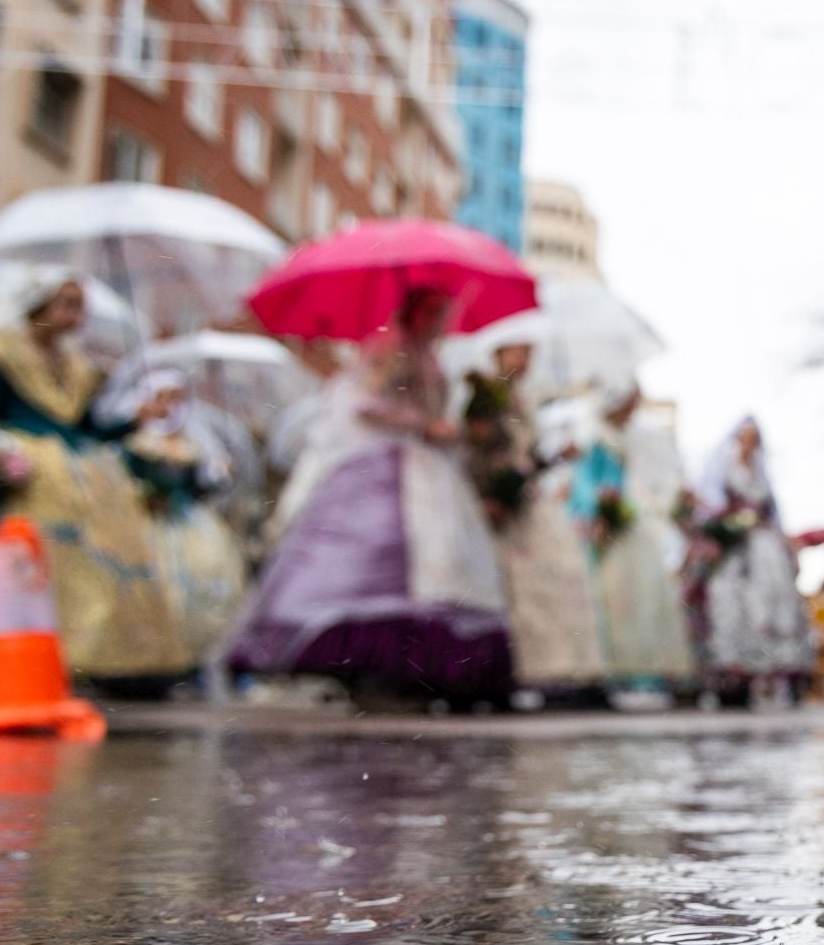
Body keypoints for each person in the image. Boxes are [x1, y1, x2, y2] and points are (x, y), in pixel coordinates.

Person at [228, 288, 512, 705]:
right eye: (433, 312)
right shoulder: (391, 348)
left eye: (443, 312)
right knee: (381, 557)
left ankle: (420, 668)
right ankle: (370, 664)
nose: (439, 321)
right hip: (390, 461)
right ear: (414, 312)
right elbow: (366, 404)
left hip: (429, 469)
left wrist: (447, 428)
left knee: (440, 562)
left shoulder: (429, 358)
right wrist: (421, 422)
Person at [0, 269, 190, 693]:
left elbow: (85, 429)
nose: (76, 316)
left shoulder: (76, 365)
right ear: (39, 306)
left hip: (83, 479)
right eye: (67, 303)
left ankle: (89, 662)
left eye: (80, 304)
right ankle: (20, 661)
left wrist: (133, 419)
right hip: (26, 482)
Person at [461, 338, 607, 695]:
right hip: (499, 502)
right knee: (517, 587)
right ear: (499, 352)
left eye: (531, 353)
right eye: (520, 351)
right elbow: (476, 449)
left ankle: (559, 671)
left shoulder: (520, 401)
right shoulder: (485, 394)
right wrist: (489, 494)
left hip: (526, 498)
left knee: (559, 573)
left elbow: (527, 458)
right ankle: (508, 672)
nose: (527, 360)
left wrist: (557, 456)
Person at [567, 371, 695, 686]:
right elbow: (584, 483)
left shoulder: (632, 438)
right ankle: (606, 673)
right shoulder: (595, 438)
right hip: (602, 524)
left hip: (627, 522)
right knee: (608, 599)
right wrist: (598, 509)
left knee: (639, 600)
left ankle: (641, 672)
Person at [118, 368, 248, 661]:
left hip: (189, 523)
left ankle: (191, 654)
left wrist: (216, 476)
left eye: (176, 398)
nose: (168, 406)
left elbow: (202, 485)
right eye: (161, 398)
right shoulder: (135, 439)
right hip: (144, 523)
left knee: (204, 579)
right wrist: (142, 494)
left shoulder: (195, 440)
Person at [690, 417, 813, 701]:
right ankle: (735, 677)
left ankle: (781, 672)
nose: (749, 443)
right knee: (734, 603)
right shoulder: (724, 469)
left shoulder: (762, 474)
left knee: (776, 603)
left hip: (764, 545)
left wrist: (786, 544)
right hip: (737, 547)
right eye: (745, 437)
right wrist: (725, 527)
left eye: (754, 438)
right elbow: (711, 506)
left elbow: (771, 513)